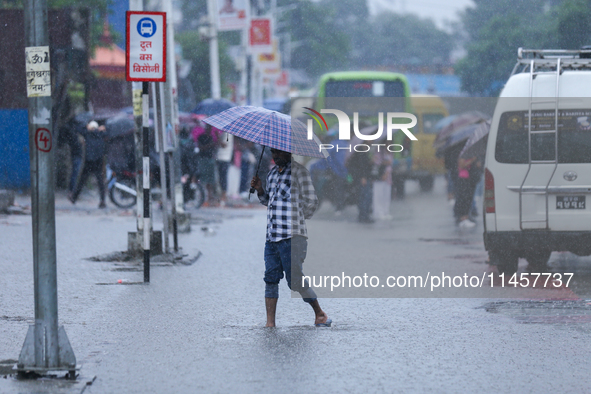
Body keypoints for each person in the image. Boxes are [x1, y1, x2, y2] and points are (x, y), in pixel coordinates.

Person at [250, 148, 331, 328]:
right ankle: (270, 323)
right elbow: (267, 201)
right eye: (273, 153)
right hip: (272, 237)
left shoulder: (300, 172)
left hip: (293, 237)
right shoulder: (271, 174)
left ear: (288, 152)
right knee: (270, 277)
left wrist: (296, 213)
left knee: (295, 280)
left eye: (279, 153)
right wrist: (260, 189)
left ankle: (319, 313)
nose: (276, 156)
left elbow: (312, 202)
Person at [70, 121, 107, 208]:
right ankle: (102, 200)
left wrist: (85, 126)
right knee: (100, 181)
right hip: (98, 160)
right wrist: (102, 129)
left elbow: (78, 128)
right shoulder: (100, 134)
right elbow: (108, 132)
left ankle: (74, 197)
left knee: (82, 180)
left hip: (89, 160)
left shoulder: (87, 133)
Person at [454, 155, 483, 228]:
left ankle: (466, 217)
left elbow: (478, 166)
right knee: (463, 199)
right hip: (463, 178)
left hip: (470, 179)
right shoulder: (463, 154)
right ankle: (462, 218)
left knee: (468, 199)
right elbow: (462, 165)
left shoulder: (472, 154)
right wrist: (472, 160)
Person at [196, 124, 220, 206]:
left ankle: (210, 197)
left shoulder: (212, 138)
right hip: (203, 159)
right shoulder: (201, 137)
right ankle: (203, 197)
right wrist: (210, 145)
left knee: (210, 179)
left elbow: (217, 146)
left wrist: (217, 138)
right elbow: (200, 147)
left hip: (210, 159)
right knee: (203, 178)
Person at [216, 131, 233, 203]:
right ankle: (222, 195)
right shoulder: (224, 133)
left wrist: (217, 137)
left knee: (223, 178)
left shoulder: (227, 134)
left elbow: (224, 145)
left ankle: (224, 195)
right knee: (221, 178)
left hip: (224, 158)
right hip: (221, 158)